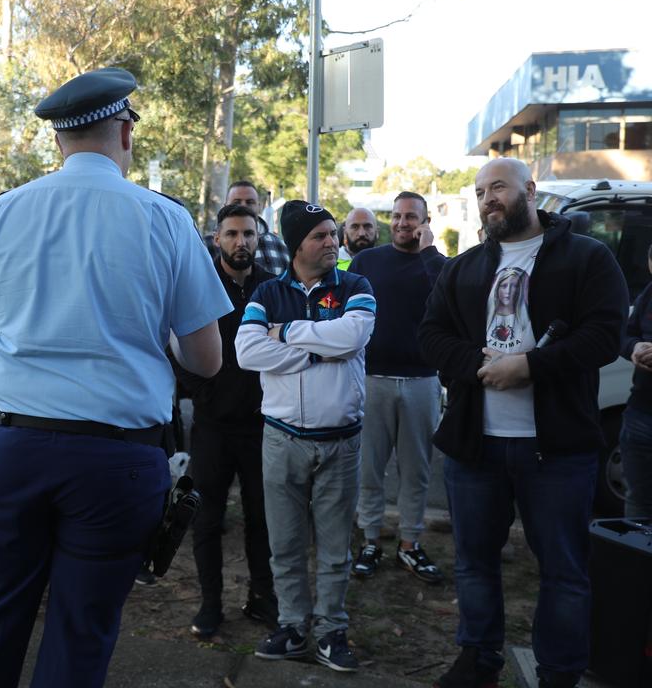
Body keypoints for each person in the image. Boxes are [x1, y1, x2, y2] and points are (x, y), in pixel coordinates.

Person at [0, 66, 230, 688]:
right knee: (81, 629)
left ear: (58, 142)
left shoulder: (3, 212)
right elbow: (207, 360)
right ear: (126, 133)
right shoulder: (166, 219)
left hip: (13, 447)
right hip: (116, 459)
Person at [419, 158, 628, 688]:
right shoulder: (462, 267)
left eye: (499, 188)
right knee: (473, 563)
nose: (488, 198)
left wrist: (531, 366)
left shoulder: (586, 257)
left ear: (530, 191)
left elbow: (604, 335)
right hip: (475, 447)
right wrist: (478, 365)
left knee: (562, 571)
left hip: (556, 450)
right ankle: (478, 660)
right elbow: (432, 335)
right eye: (480, 190)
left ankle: (558, 673)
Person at [236, 201, 375, 672]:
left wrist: (288, 332)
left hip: (341, 440)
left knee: (336, 547)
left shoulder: (356, 284)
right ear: (297, 245)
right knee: (286, 543)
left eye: (334, 233)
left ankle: (332, 631)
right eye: (321, 236)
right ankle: (294, 626)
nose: (333, 242)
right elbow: (247, 351)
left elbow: (352, 337)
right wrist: (316, 351)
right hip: (281, 439)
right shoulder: (267, 292)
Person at [178, 204, 275, 639]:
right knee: (207, 520)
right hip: (213, 427)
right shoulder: (201, 288)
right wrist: (204, 394)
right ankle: (210, 605)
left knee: (262, 519)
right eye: (232, 234)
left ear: (259, 239)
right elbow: (176, 346)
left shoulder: (273, 289)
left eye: (249, 234)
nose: (241, 242)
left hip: (261, 426)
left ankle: (263, 599)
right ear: (216, 239)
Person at [348, 192, 446, 583]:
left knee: (416, 470)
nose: (404, 223)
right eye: (398, 216)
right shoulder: (367, 261)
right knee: (370, 468)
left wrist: (429, 253)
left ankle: (410, 543)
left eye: (412, 217)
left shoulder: (437, 265)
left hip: (423, 380)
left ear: (424, 221)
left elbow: (450, 301)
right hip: (373, 378)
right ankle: (371, 539)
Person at [620, 243, 652, 518]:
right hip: (640, 412)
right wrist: (634, 348)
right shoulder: (649, 294)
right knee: (638, 501)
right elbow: (624, 334)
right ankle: (638, 559)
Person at [205, 181, 289, 276]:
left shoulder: (279, 245)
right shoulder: (206, 246)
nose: (243, 206)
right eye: (236, 202)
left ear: (259, 207)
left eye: (250, 202)